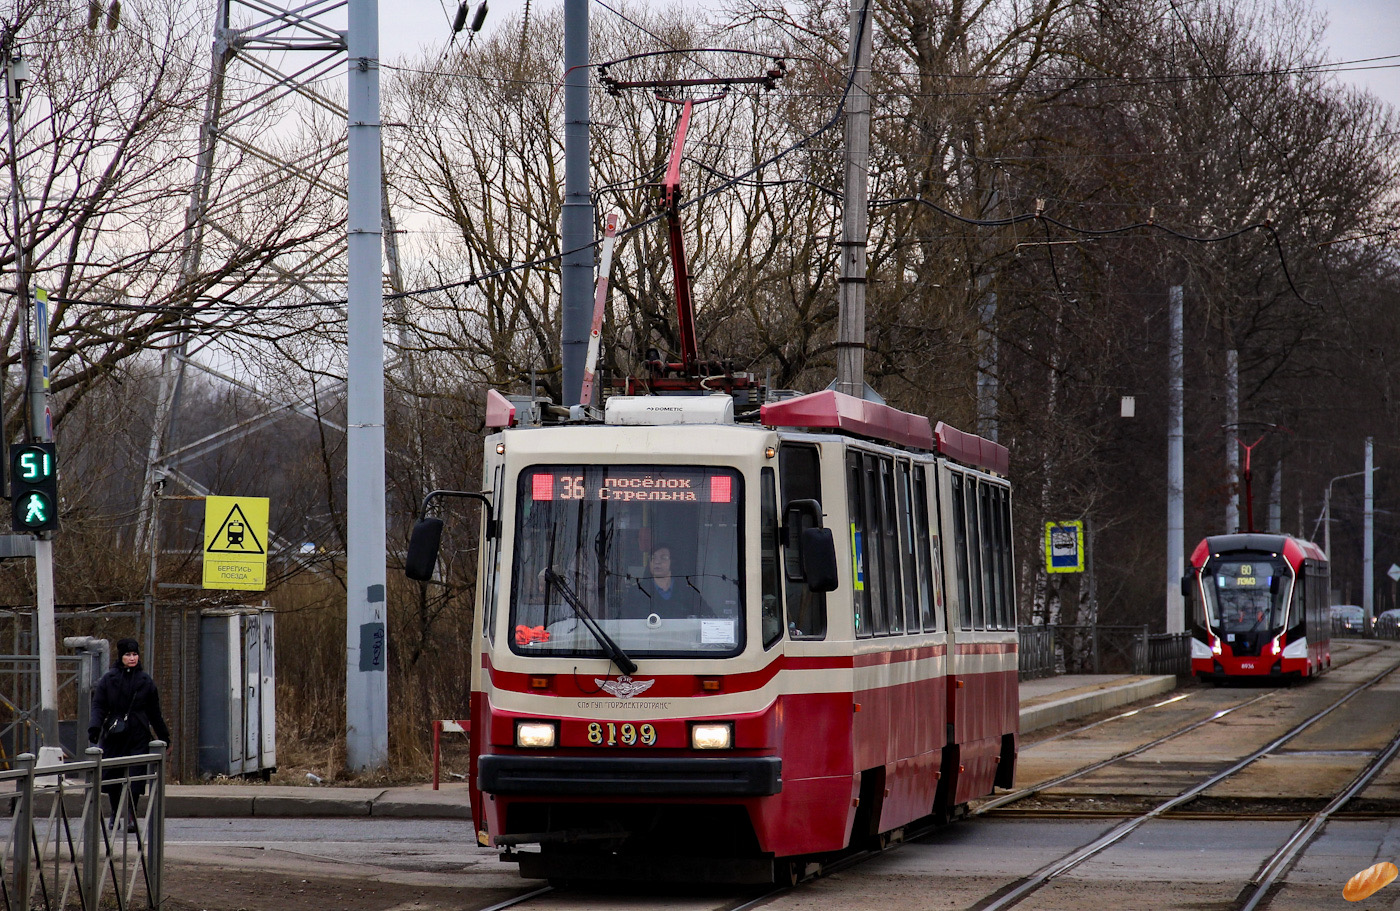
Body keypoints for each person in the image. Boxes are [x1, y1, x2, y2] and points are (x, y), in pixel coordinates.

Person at [88, 638, 170, 833]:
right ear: (121, 656)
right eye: (128, 655)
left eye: (134, 654)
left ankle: (131, 814)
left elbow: (154, 713)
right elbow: (99, 705)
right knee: (113, 775)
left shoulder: (145, 681)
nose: (132, 658)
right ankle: (116, 812)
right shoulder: (109, 680)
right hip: (115, 733)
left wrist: (164, 737)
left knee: (136, 777)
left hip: (138, 733)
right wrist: (95, 727)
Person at [624, 545, 712, 619]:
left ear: (672, 562)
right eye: (653, 558)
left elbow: (709, 617)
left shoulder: (688, 593)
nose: (657, 562)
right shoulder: (637, 592)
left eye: (663, 558)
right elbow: (623, 622)